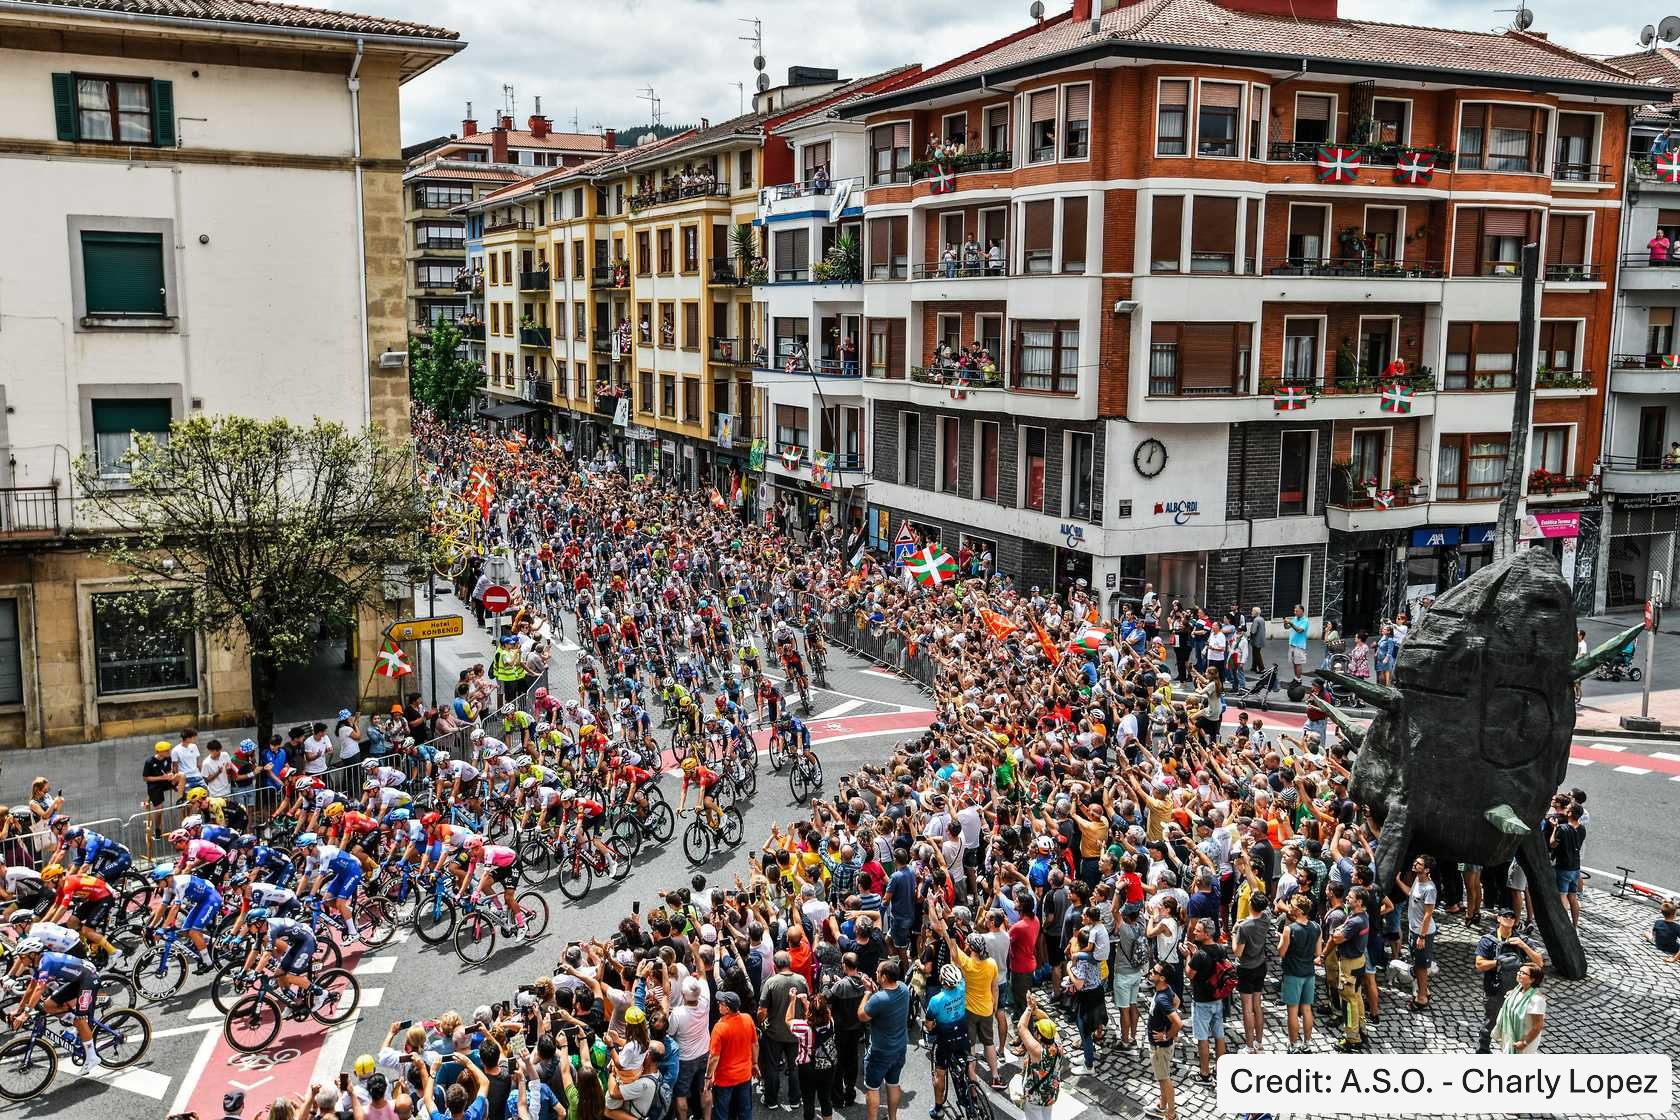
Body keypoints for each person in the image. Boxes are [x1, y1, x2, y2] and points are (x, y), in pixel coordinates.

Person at [1474, 908, 1543, 1053]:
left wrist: (1523, 946)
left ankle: (1510, 1051)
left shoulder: (1522, 939)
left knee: (1516, 1023)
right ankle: (1482, 1051)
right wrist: (1498, 963)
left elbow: (1539, 962)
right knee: (1490, 1022)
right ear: (1498, 918)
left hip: (1517, 991)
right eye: (1505, 916)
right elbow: (1479, 965)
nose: (1509, 919)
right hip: (1494, 989)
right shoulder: (1488, 940)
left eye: (1512, 917)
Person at [856, 958, 910, 1120]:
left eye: (878, 972)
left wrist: (867, 992)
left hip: (880, 1052)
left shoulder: (878, 999)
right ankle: (892, 1118)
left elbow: (862, 1016)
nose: (875, 973)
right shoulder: (904, 988)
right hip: (899, 1048)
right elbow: (886, 994)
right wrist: (876, 988)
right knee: (893, 1084)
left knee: (873, 1088)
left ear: (884, 977)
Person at [1396, 854, 1438, 1012]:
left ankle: (1421, 998)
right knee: (1418, 964)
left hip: (1423, 933)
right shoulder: (1417, 880)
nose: (1415, 864)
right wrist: (1398, 881)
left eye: (1419, 864)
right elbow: (1410, 893)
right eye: (1416, 862)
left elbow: (1428, 914)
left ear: (1426, 870)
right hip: (1414, 930)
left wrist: (1422, 936)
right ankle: (1425, 991)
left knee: (1421, 966)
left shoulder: (1429, 889)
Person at [707, 990, 757, 1120]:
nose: (718, 1004)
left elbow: (714, 1057)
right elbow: (755, 1044)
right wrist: (755, 1064)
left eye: (721, 1003)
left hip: (724, 1079)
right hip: (744, 1075)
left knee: (721, 1113)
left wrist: (708, 1077)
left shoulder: (719, 1028)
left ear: (727, 1009)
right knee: (745, 1110)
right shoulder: (747, 1019)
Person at [1276, 897, 1317, 1052]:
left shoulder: (1290, 929)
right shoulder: (1316, 927)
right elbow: (1318, 952)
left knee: (1292, 1012)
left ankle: (1293, 1044)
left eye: (1292, 906)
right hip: (1309, 973)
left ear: (1298, 910)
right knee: (1307, 1009)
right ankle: (1307, 1043)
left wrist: (1281, 938)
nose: (1289, 907)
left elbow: (1281, 951)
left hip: (1293, 973)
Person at [1014, 995, 1062, 1120]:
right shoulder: (1058, 1044)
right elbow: (1047, 1020)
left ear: (1039, 1036)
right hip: (1051, 1092)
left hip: (1035, 1096)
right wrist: (1035, 1010)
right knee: (1047, 1115)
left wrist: (1029, 1009)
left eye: (1036, 1029)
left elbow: (1021, 1027)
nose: (1034, 1030)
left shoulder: (1037, 1051)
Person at [1144, 962, 1181, 1120]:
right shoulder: (1166, 990)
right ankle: (1162, 1106)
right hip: (1162, 1046)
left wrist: (1166, 1035)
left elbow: (1178, 1023)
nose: (1150, 971)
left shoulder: (1161, 999)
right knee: (1162, 1077)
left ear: (1162, 978)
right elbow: (1177, 1001)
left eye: (1154, 971)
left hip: (1160, 1047)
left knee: (1165, 1079)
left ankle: (1171, 1113)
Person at [1491, 964, 1546, 1053]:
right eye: (1519, 971)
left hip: (1524, 1041)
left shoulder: (1536, 1000)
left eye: (1523, 973)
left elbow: (1538, 1025)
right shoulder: (1517, 990)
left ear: (1532, 979)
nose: (1519, 974)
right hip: (1510, 1035)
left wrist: (1524, 1043)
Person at [1285, 605, 1309, 682]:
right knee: (1294, 662)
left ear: (1302, 611)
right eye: (1294, 611)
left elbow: (1299, 630)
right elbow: (1287, 627)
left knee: (1298, 663)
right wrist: (1285, 623)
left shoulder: (1305, 620)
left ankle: (1298, 679)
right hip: (1292, 644)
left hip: (1299, 645)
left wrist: (1291, 623)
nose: (1295, 612)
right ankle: (1296, 678)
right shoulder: (1295, 618)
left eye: (1296, 611)